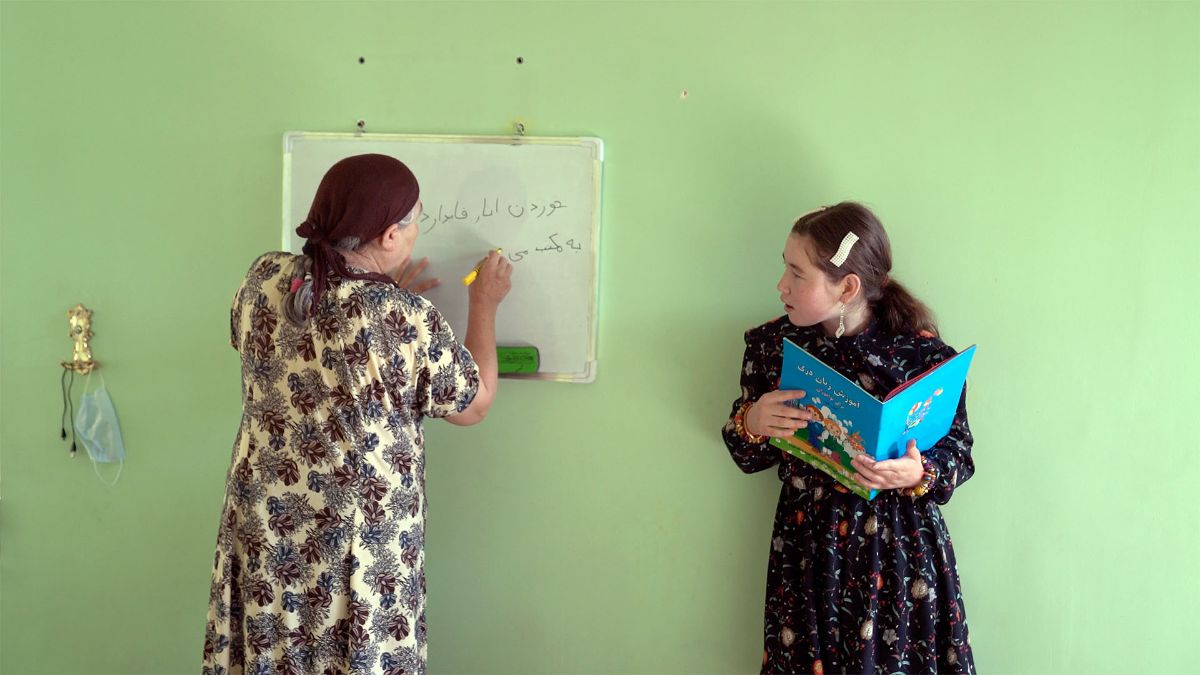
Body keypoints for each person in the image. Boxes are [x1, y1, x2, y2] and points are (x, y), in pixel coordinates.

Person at [202, 153, 511, 674]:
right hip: (355, 545)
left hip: (265, 529)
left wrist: (380, 296)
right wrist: (485, 303)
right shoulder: (401, 318)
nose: (416, 233)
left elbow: (294, 336)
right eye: (415, 222)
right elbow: (474, 404)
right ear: (390, 236)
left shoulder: (263, 278)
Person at [722, 202, 974, 674]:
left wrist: (918, 471)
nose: (781, 285)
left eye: (797, 273)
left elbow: (959, 452)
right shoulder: (771, 348)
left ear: (848, 287)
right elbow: (745, 455)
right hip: (808, 549)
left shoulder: (924, 356)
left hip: (899, 552)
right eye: (785, 267)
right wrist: (753, 421)